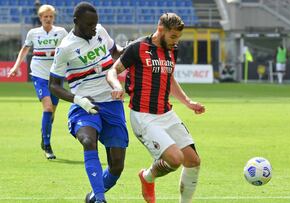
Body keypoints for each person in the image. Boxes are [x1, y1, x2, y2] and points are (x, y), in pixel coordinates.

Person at [107, 13, 205, 203]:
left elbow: (169, 78)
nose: (175, 42)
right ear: (161, 30)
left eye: (178, 38)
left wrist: (188, 102)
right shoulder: (137, 47)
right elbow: (113, 71)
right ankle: (147, 177)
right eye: (173, 37)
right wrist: (117, 86)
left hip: (166, 113)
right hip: (144, 117)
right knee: (175, 160)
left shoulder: (172, 49)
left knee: (193, 161)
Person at [49, 2, 128, 203]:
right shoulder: (65, 48)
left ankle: (92, 197)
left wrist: (128, 51)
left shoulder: (99, 31)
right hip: (85, 106)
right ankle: (100, 200)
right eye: (89, 25)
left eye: (95, 24)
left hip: (111, 101)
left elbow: (115, 53)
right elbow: (54, 85)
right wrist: (79, 100)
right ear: (76, 22)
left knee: (117, 165)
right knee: (87, 140)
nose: (94, 29)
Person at [8, 4, 68, 159]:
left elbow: (70, 49)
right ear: (40, 18)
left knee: (52, 112)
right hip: (39, 74)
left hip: (56, 75)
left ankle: (44, 134)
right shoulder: (33, 33)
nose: (48, 19)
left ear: (53, 17)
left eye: (50, 16)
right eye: (45, 17)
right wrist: (16, 66)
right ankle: (47, 146)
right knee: (47, 108)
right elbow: (25, 49)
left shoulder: (61, 32)